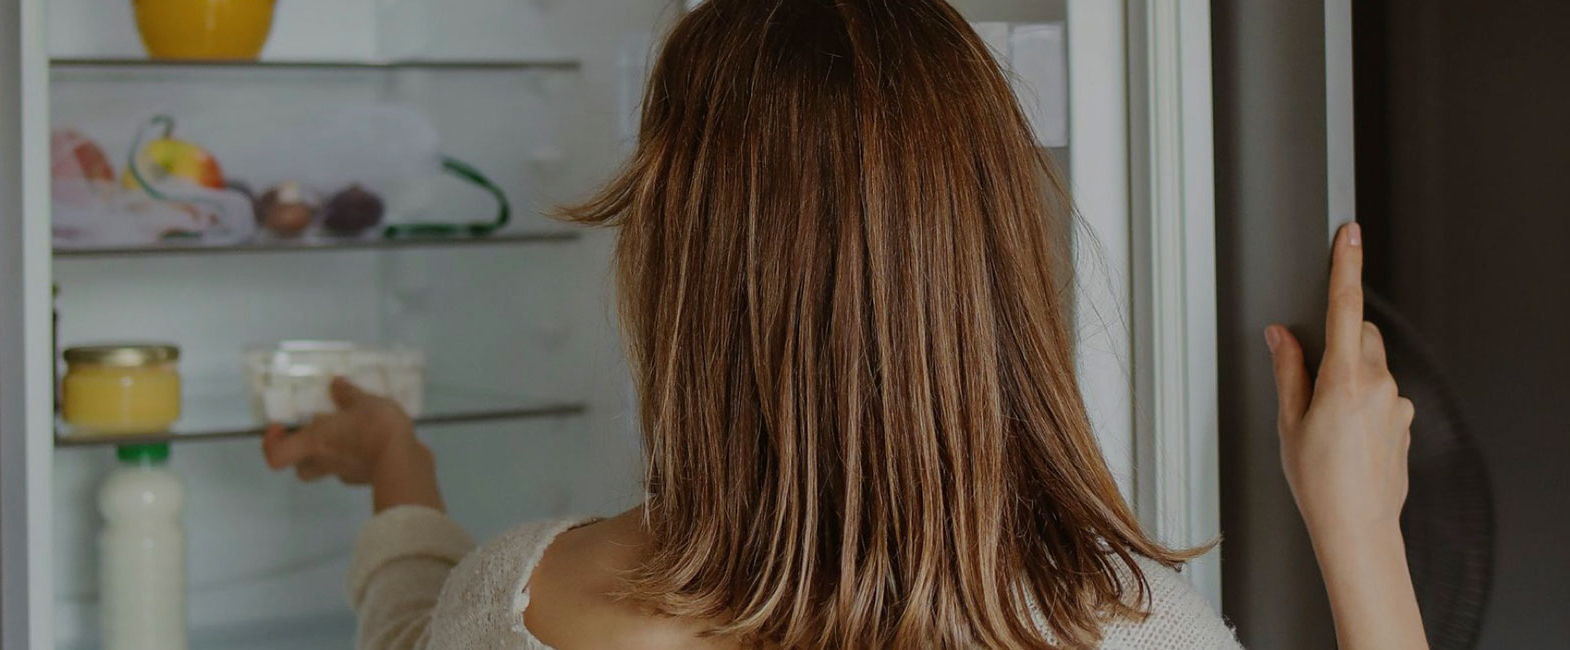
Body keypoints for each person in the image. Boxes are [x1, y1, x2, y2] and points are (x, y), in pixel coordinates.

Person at [261, 1, 1427, 648]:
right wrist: (1360, 525)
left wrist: (394, 461)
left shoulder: (519, 598)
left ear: (677, 288)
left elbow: (411, 628)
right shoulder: (1134, 637)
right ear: (990, 279)